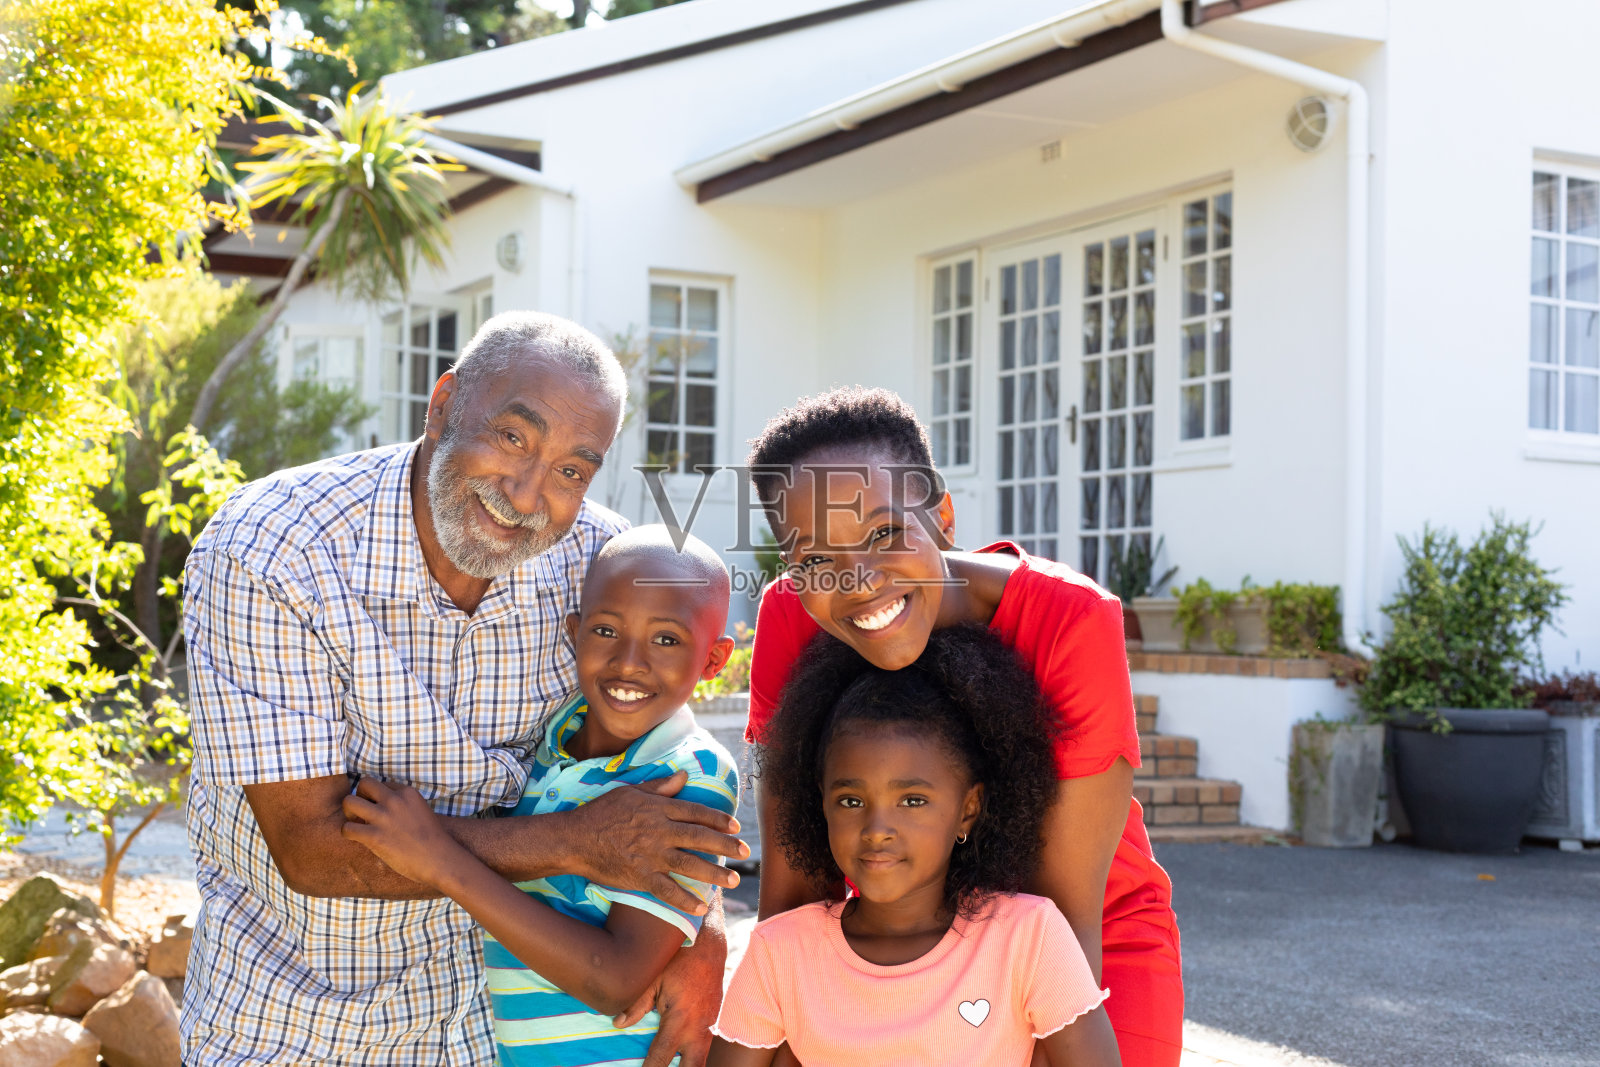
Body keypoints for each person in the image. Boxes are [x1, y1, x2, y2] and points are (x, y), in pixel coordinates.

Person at [180, 312, 747, 1066]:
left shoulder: (594, 565)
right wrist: (573, 844)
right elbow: (313, 848)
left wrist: (693, 928)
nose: (527, 492)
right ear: (443, 403)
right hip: (292, 1025)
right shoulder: (274, 552)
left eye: (572, 469)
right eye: (513, 437)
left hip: (492, 1038)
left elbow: (661, 769)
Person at [744, 387, 1183, 1066]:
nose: (857, 580)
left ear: (942, 515)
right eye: (813, 559)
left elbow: (1062, 924)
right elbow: (795, 895)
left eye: (885, 533)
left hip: (1085, 938)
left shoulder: (1070, 619)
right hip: (898, 933)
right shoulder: (791, 616)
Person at [340, 526, 741, 1067]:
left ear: (713, 661)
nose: (629, 661)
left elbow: (615, 981)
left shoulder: (692, 772)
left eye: (666, 639)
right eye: (605, 630)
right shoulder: (554, 734)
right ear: (574, 632)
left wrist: (442, 862)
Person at [710, 626, 1120, 1067]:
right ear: (821, 801)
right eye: (851, 800)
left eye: (912, 800)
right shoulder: (781, 952)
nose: (877, 828)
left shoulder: (1029, 937)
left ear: (968, 808)